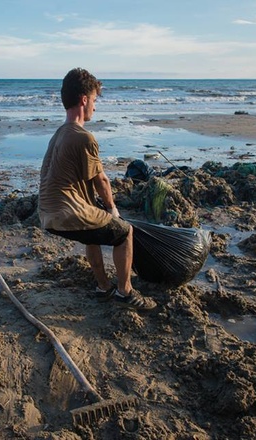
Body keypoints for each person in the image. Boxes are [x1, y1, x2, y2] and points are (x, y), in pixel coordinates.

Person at [38, 68, 156, 311]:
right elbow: (101, 180)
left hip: (47, 215)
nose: (94, 106)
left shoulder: (57, 135)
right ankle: (125, 292)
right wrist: (113, 209)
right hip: (66, 214)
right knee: (124, 232)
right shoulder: (84, 137)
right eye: (94, 99)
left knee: (91, 226)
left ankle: (103, 286)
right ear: (84, 100)